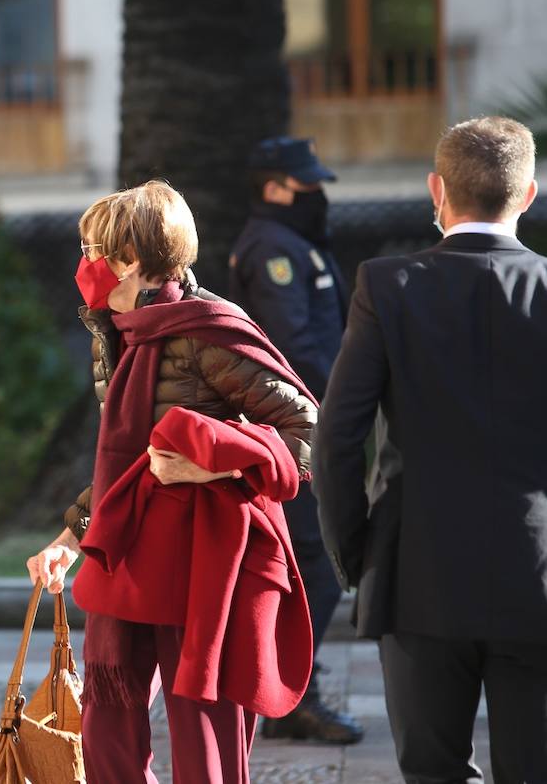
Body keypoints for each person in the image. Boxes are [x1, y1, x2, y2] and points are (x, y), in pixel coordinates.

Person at [28, 181, 319, 783]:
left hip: (202, 563)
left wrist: (219, 462)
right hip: (134, 552)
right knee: (107, 719)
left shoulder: (208, 330)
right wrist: (70, 537)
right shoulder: (119, 330)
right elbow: (123, 462)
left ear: (130, 261)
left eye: (93, 251)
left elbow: (309, 430)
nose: (84, 265)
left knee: (202, 726)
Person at [314, 116, 547, 783]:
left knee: (432, 772)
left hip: (416, 567)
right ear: (528, 194)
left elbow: (337, 436)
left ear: (435, 191)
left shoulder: (387, 285)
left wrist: (356, 553)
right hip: (537, 569)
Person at [227, 136, 363, 745]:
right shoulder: (273, 248)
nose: (318, 194)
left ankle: (287, 683)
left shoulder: (292, 242)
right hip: (298, 431)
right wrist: (345, 400)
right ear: (275, 187)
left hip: (309, 424)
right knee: (318, 562)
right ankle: (290, 694)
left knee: (317, 561)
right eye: (306, 184)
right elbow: (294, 345)